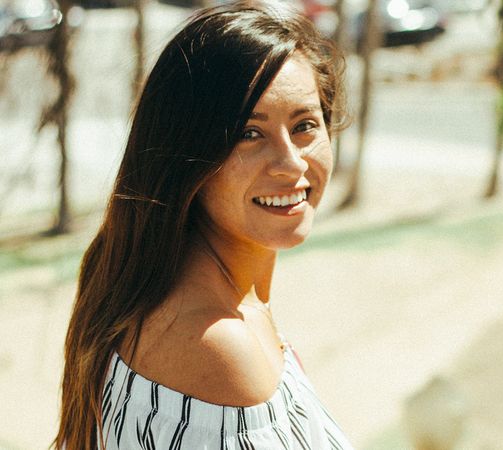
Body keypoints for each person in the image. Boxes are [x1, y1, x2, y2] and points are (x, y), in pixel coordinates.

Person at [54, 0, 353, 449]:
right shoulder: (216, 348)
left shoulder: (194, 294)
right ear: (188, 156)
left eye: (305, 125)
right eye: (249, 133)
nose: (291, 163)